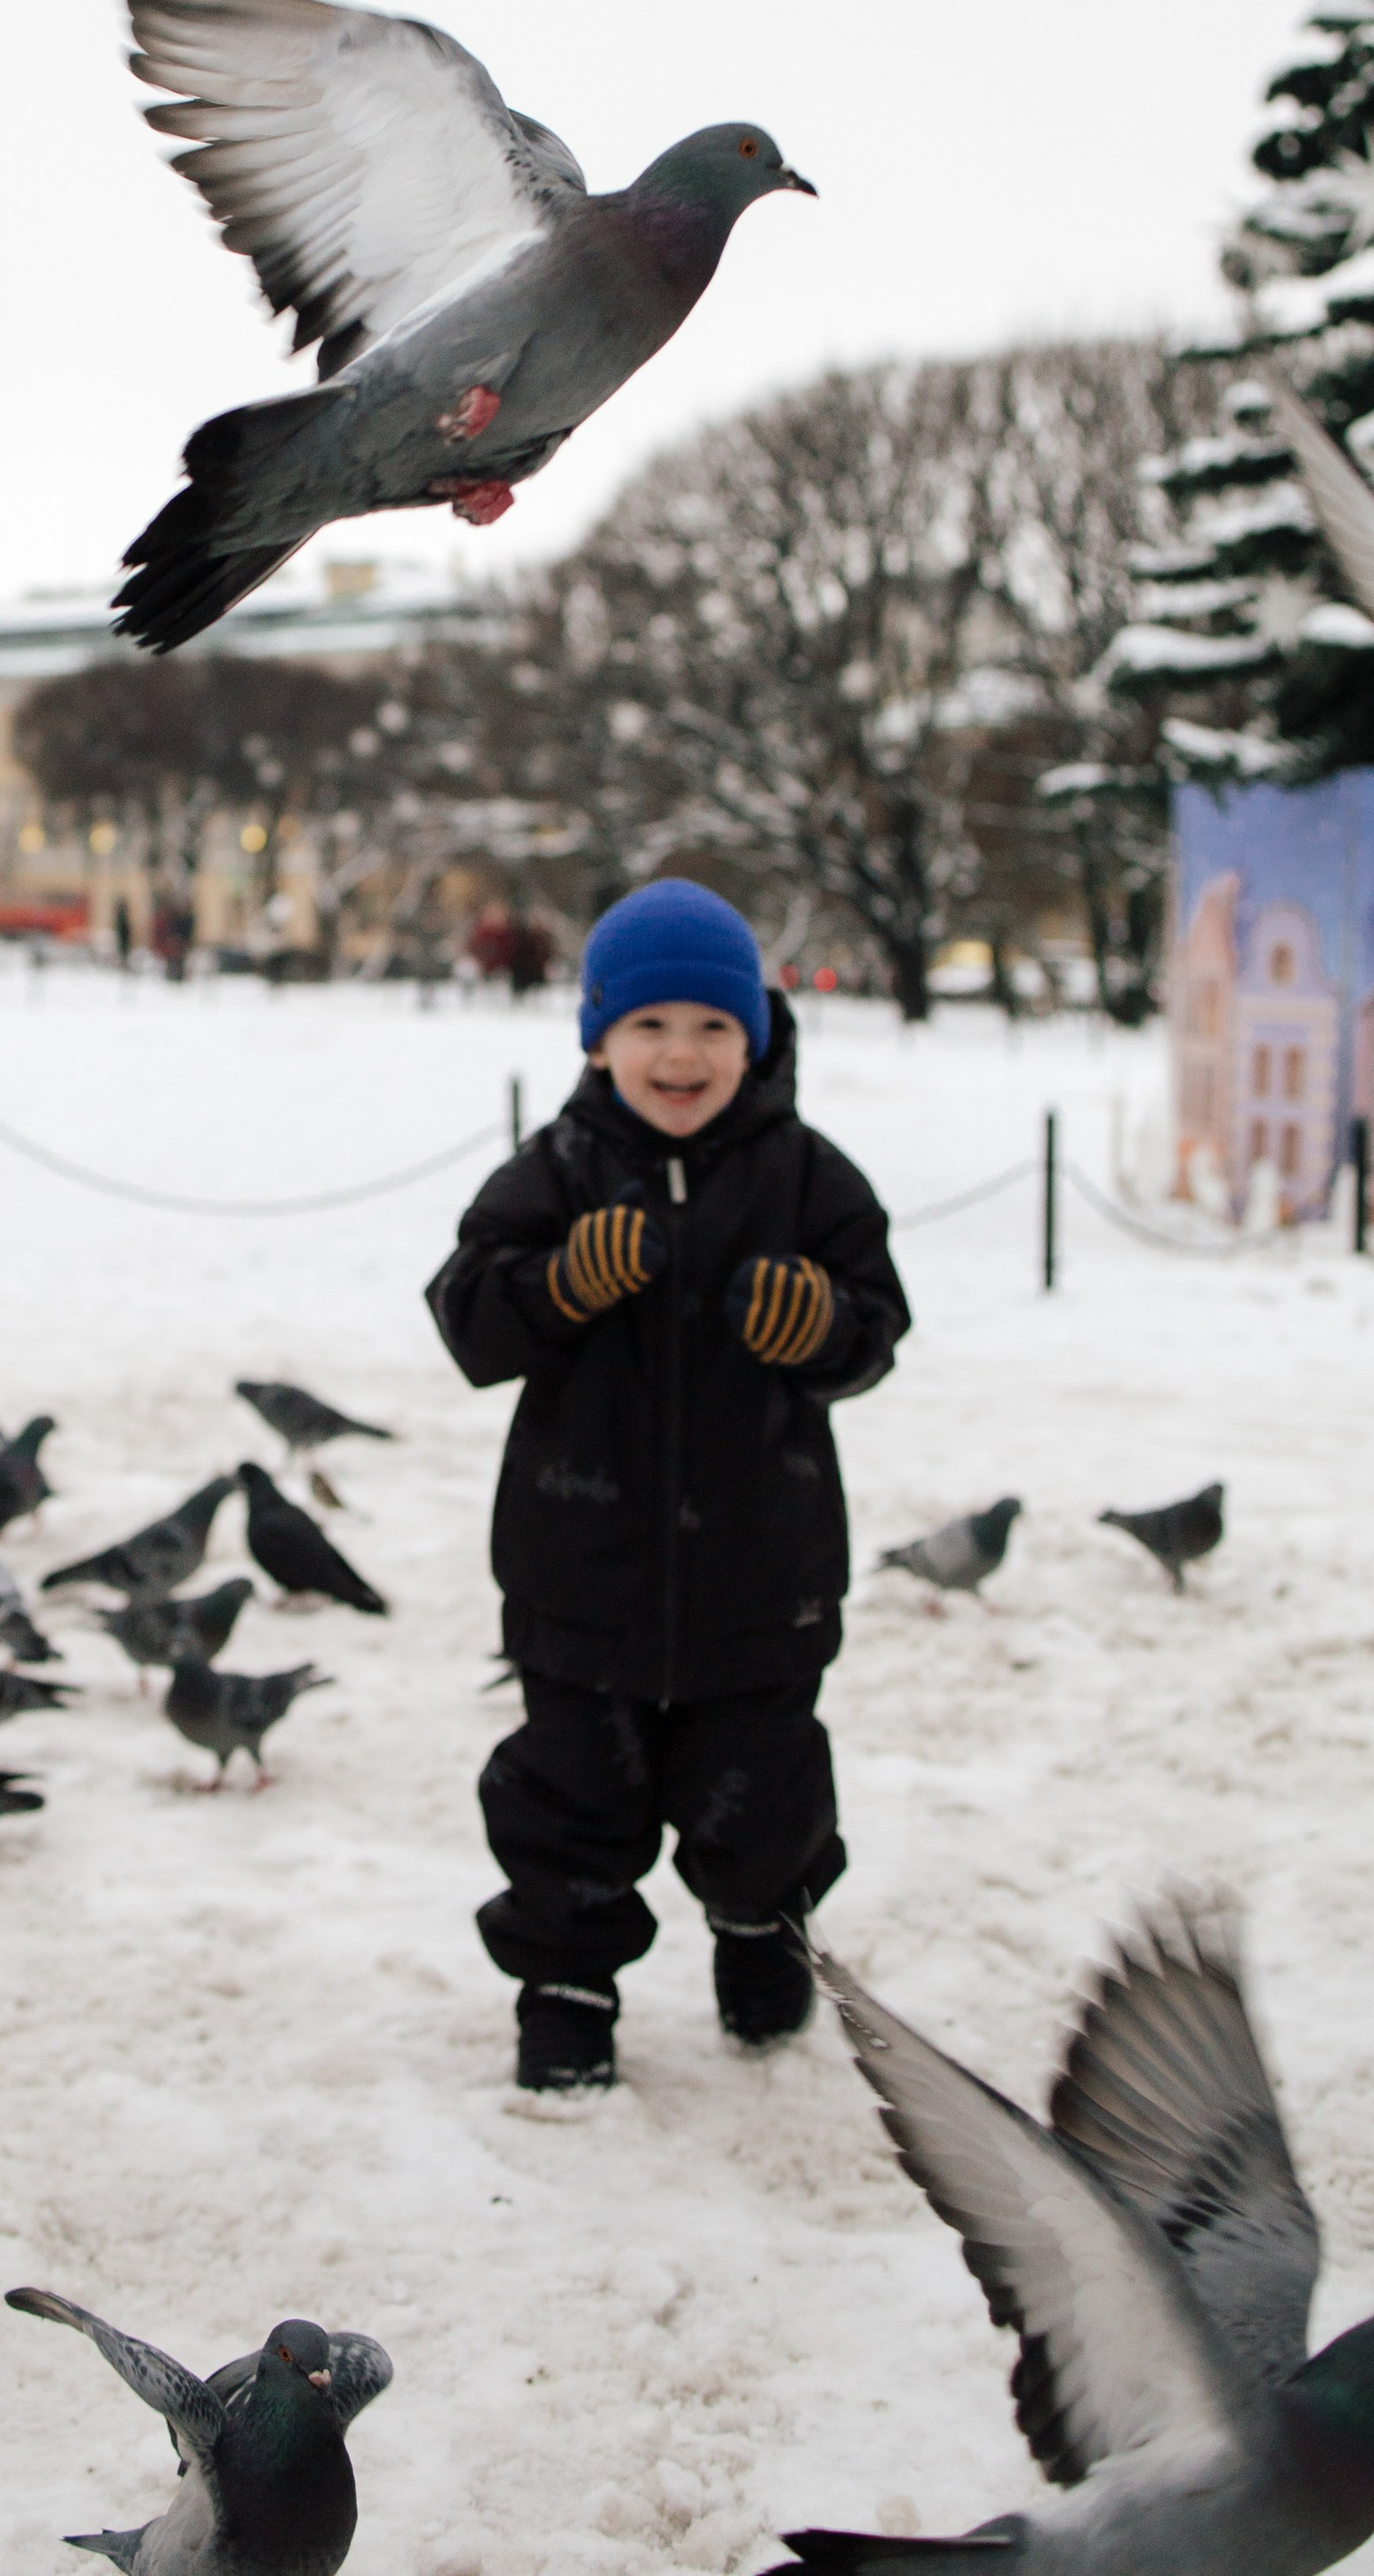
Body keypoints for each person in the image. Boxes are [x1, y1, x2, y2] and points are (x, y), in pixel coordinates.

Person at [427, 878, 908, 2094]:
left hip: (762, 1575)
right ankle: (566, 1991)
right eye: (648, 1025)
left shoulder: (807, 1178)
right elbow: (470, 1319)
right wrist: (557, 1286)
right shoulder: (557, 1172)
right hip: (579, 1578)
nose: (681, 1055)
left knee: (766, 1798)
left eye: (712, 1026)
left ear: (755, 1036)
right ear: (599, 1039)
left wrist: (822, 1325)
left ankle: (759, 1930)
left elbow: (875, 1325)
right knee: (567, 1804)